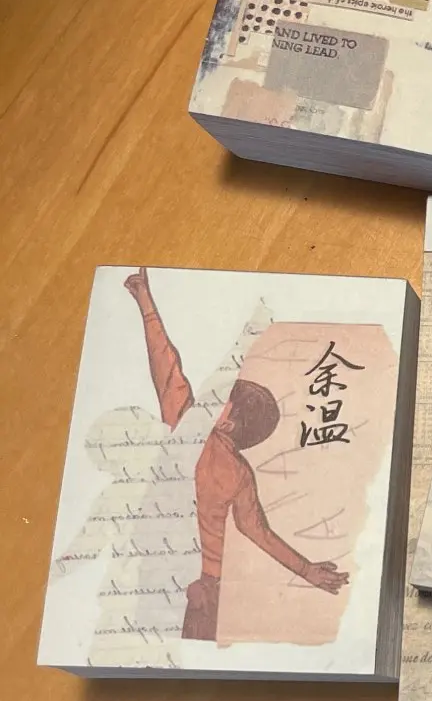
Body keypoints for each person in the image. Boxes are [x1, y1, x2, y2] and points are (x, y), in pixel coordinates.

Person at [123, 269, 348, 640]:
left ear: (228, 423)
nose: (216, 401)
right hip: (206, 589)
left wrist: (145, 301)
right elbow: (259, 532)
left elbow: (166, 366)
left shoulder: (193, 433)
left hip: (170, 578)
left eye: (225, 402)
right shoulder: (240, 472)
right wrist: (307, 570)